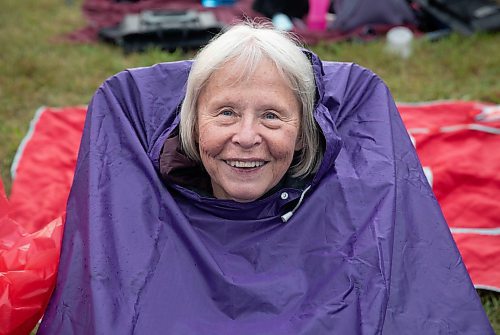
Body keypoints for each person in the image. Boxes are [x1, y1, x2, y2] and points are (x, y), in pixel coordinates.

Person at [38, 23, 494, 334]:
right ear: (192, 124)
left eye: (273, 117)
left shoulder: (354, 215)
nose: (247, 136)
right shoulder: (137, 214)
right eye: (226, 113)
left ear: (303, 133)